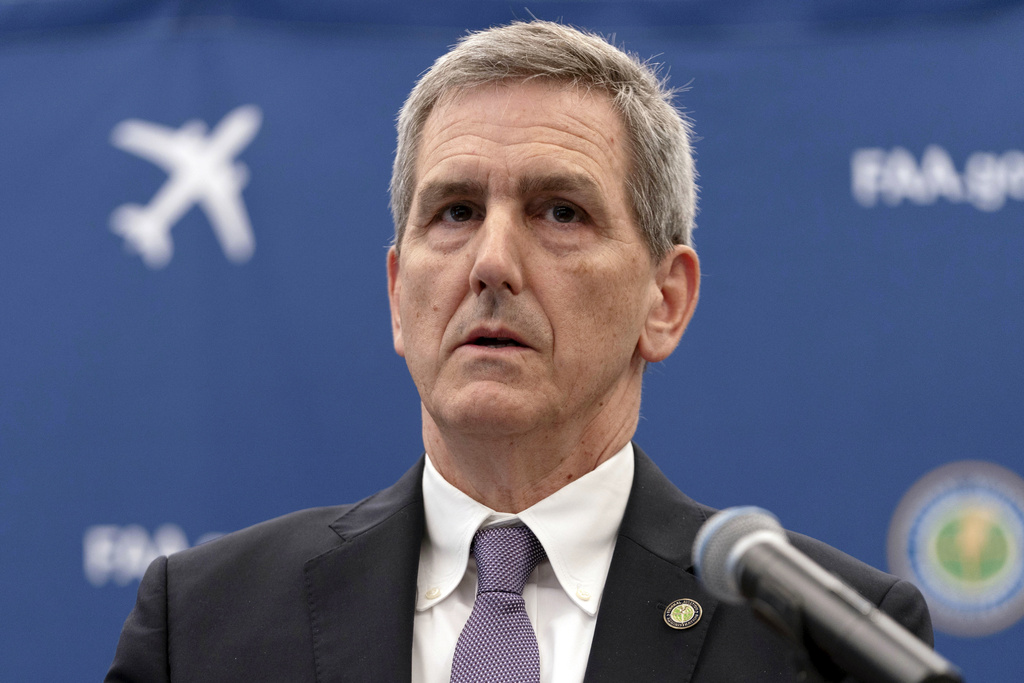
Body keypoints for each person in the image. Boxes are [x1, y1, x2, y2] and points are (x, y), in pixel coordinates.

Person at [106, 20, 932, 683]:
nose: (492, 262)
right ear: (399, 293)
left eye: (559, 212)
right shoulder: (206, 623)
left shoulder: (827, 645)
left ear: (665, 299)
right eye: (456, 212)